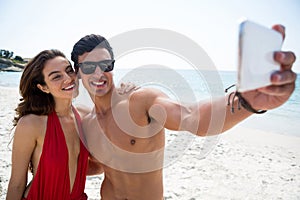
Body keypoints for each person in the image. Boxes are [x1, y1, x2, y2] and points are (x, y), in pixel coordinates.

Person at [70, 25, 296, 200]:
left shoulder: (141, 101)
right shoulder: (86, 121)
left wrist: (246, 100)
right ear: (78, 73)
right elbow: (98, 165)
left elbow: (192, 116)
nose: (99, 73)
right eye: (89, 67)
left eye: (105, 64)